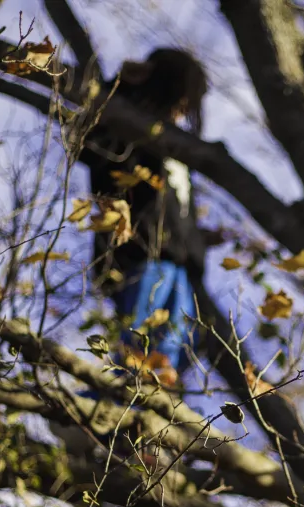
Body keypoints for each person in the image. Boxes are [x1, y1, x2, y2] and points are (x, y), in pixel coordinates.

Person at [79, 48, 208, 385]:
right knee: (138, 338)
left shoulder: (176, 151)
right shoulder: (128, 124)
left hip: (179, 264)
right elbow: (91, 143)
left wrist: (199, 246)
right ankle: (114, 403)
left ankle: (151, 410)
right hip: (141, 253)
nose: (184, 111)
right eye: (181, 101)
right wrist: (123, 86)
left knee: (172, 349)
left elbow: (178, 213)